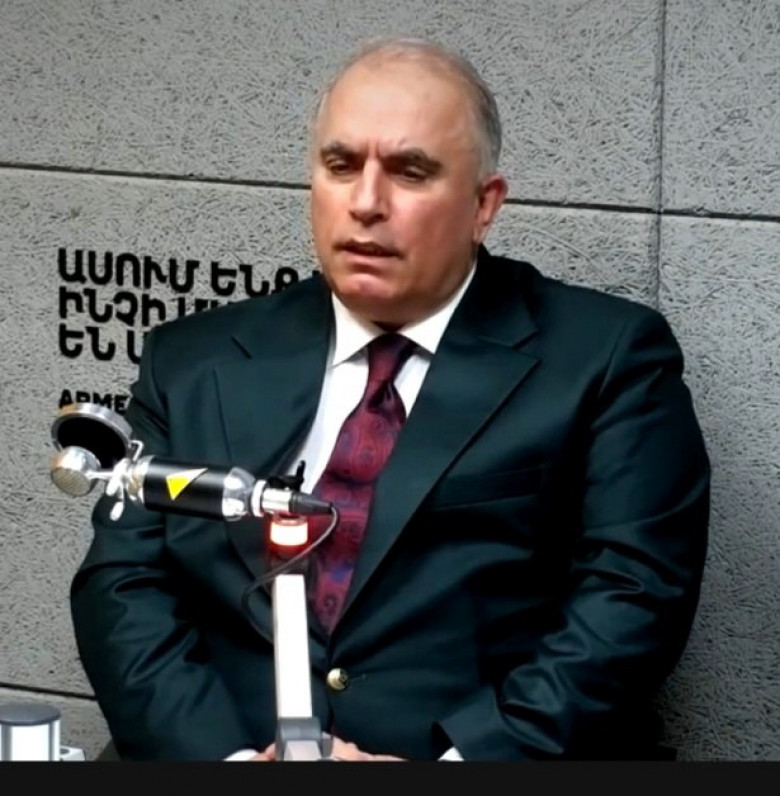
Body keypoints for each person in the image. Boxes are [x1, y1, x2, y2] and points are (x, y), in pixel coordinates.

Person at [69, 36, 710, 762]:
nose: (366, 204)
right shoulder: (192, 360)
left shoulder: (606, 358)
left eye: (410, 171)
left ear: (484, 205)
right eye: (341, 166)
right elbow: (122, 585)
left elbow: (632, 599)